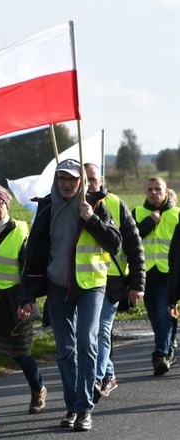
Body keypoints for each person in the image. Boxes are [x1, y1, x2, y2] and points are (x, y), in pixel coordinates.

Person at [18, 159, 121, 432]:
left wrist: (92, 220)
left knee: (87, 344)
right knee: (65, 350)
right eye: (62, 178)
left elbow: (116, 243)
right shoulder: (47, 207)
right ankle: (72, 407)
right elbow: (34, 254)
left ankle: (85, 408)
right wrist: (26, 294)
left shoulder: (95, 205)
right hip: (57, 287)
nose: (66, 183)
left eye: (72, 179)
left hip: (91, 286)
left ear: (81, 183)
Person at [0, 184, 47, 425]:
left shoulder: (20, 232)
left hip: (16, 300)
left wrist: (27, 299)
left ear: (7, 205)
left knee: (22, 354)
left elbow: (28, 269)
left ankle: (38, 388)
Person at [84, 164, 145, 399]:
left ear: (101, 179)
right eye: (84, 179)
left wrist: (137, 283)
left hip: (111, 281)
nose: (88, 183)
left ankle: (96, 379)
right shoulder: (70, 205)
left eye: (92, 178)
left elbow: (134, 245)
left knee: (101, 331)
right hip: (82, 281)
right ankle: (108, 373)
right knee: (87, 334)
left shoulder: (116, 204)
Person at [133, 176, 179, 375]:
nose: (154, 192)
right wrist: (149, 222)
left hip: (169, 273)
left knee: (162, 312)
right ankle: (169, 348)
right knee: (156, 315)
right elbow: (131, 240)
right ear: (146, 192)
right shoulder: (137, 212)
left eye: (157, 189)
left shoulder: (176, 214)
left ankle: (161, 354)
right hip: (145, 272)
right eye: (150, 189)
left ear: (166, 190)